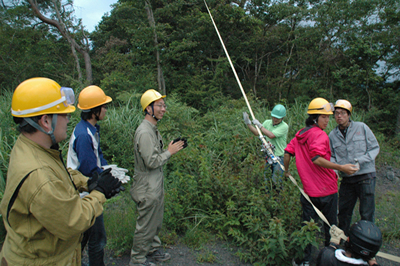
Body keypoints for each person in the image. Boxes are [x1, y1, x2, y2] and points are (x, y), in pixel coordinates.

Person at [0, 77, 122, 265]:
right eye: (64, 115)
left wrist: (86, 183)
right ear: (46, 121)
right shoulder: (39, 176)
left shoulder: (33, 147)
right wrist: (99, 193)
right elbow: (75, 221)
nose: (68, 119)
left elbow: (60, 174)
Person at [283, 97, 358, 266]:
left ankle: (305, 260)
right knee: (330, 228)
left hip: (309, 192)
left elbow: (287, 153)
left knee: (308, 228)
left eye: (328, 117)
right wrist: (341, 168)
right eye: (324, 117)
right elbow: (316, 158)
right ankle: (330, 259)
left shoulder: (300, 134)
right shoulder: (320, 136)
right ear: (315, 117)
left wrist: (287, 171)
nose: (327, 120)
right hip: (327, 192)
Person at [129, 89, 185, 266]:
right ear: (148, 108)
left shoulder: (152, 129)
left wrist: (166, 150)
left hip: (154, 183)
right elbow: (152, 162)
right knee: (145, 224)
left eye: (164, 105)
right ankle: (137, 260)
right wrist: (169, 152)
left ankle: (152, 250)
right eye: (160, 105)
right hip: (146, 185)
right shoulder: (145, 132)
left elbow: (153, 156)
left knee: (155, 220)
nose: (163, 109)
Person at [67, 85, 113, 266]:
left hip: (88, 191)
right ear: (94, 111)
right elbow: (88, 170)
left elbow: (98, 156)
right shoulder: (84, 136)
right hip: (85, 195)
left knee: (84, 237)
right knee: (97, 239)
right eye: (103, 106)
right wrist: (106, 181)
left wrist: (110, 170)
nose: (106, 109)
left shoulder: (91, 129)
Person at [329, 99, 380, 236]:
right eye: (337, 113)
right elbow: (331, 156)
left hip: (366, 176)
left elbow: (374, 148)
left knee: (367, 212)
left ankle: (367, 242)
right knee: (344, 212)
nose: (339, 116)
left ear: (349, 114)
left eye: (343, 113)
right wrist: (338, 169)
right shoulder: (332, 135)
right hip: (347, 179)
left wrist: (359, 162)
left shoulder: (361, 128)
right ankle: (342, 241)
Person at [243, 104, 288, 189]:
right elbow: (257, 133)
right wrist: (248, 123)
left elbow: (271, 135)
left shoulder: (284, 126)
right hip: (269, 156)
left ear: (282, 118)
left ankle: (278, 199)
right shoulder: (267, 123)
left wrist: (260, 126)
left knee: (276, 181)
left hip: (279, 157)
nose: (275, 119)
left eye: (277, 118)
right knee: (267, 181)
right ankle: (268, 198)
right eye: (274, 117)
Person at [317, 220, 382, 266]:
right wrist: (372, 260)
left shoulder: (327, 257)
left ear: (348, 239)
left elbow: (326, 254)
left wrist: (334, 243)